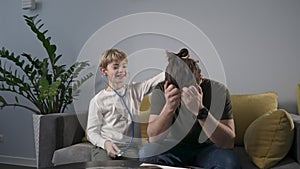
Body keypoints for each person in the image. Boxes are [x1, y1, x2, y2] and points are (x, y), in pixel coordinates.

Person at [139, 48, 241, 169]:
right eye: (179, 90)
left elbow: (227, 143)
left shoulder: (218, 91)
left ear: (200, 80)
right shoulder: (161, 90)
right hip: (174, 146)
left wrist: (200, 110)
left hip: (208, 148)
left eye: (189, 90)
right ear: (167, 84)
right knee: (147, 152)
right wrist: (169, 107)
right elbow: (154, 138)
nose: (184, 96)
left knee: (229, 163)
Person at [86, 48, 165, 161]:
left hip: (130, 148)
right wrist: (105, 143)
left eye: (124, 66)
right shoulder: (98, 100)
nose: (121, 70)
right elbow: (92, 132)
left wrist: (178, 63)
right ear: (104, 71)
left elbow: (157, 79)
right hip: (105, 147)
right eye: (115, 67)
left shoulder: (136, 90)